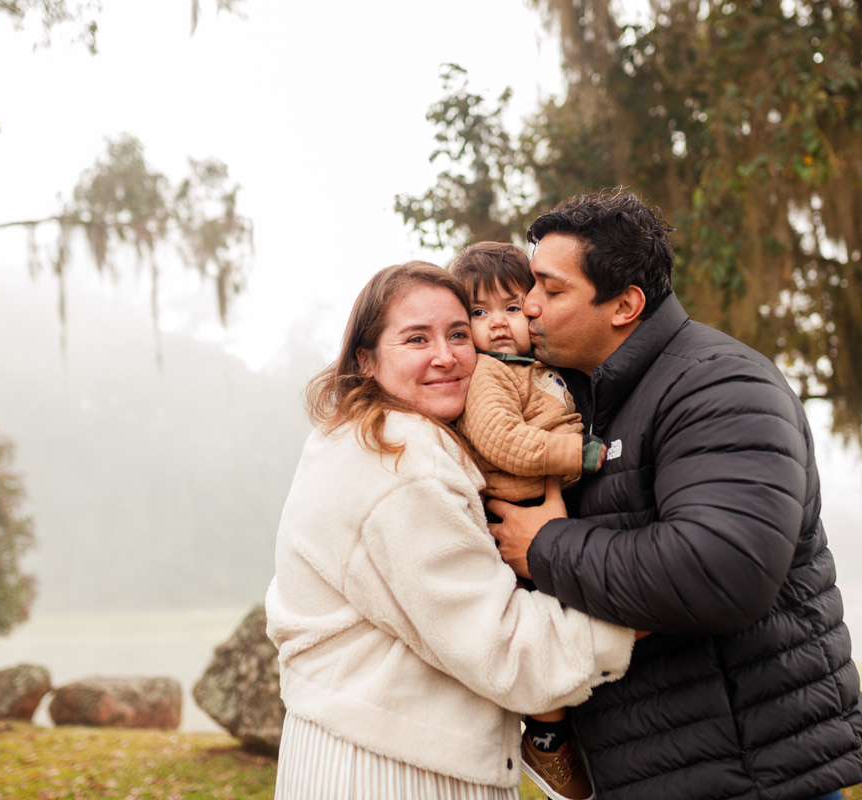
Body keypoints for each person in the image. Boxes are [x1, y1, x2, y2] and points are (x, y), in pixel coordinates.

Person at [490, 191, 862, 800]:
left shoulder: (720, 385)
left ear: (625, 305)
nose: (528, 308)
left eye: (550, 289)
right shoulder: (580, 399)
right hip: (656, 770)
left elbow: (723, 571)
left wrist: (545, 545)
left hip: (751, 777)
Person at [264, 261, 636, 800]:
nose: (446, 355)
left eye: (459, 334)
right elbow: (501, 648)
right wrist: (653, 608)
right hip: (391, 770)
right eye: (417, 338)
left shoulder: (363, 437)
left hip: (366, 749)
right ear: (365, 360)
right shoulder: (401, 462)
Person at [449, 242, 607, 800]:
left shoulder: (542, 369)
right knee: (539, 629)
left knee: (569, 620)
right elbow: (500, 440)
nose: (497, 324)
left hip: (549, 504)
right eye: (478, 312)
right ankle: (546, 735)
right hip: (513, 508)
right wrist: (578, 455)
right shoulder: (490, 374)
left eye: (512, 308)